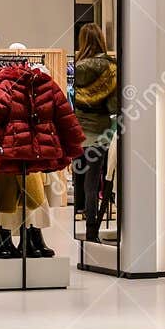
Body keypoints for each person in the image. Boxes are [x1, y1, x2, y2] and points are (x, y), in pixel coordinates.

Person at [72, 23, 119, 239]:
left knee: (80, 179)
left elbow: (75, 101)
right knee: (95, 181)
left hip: (79, 131)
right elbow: (113, 105)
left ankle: (80, 214)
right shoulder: (109, 66)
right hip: (101, 132)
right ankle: (92, 228)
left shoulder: (79, 66)